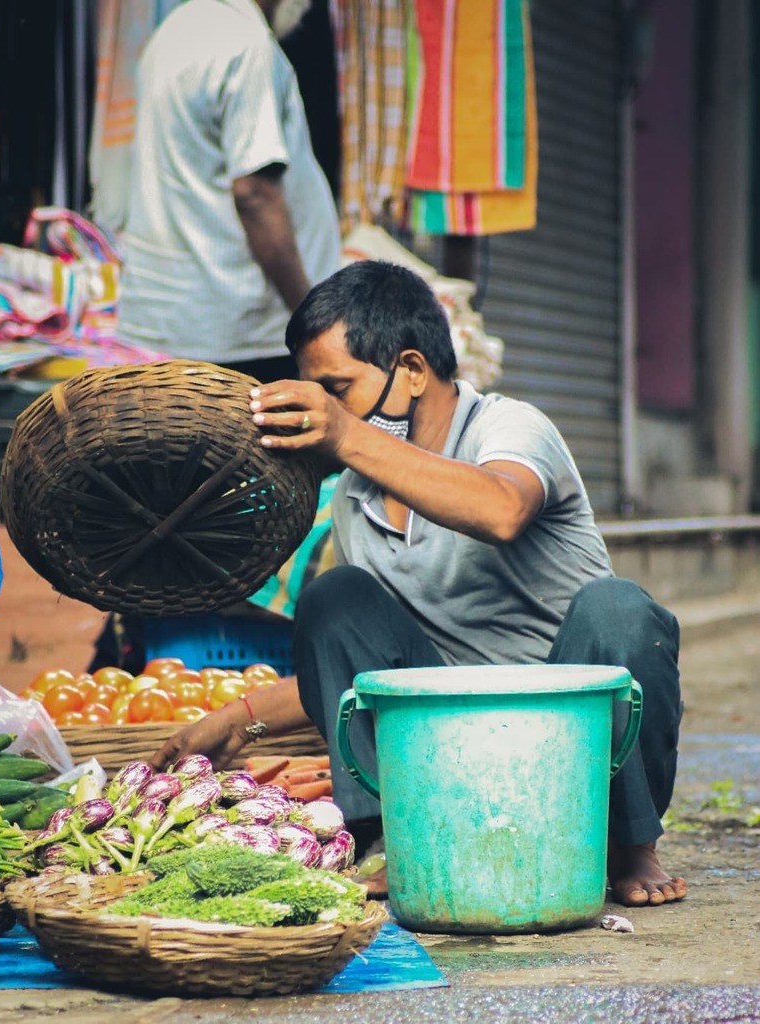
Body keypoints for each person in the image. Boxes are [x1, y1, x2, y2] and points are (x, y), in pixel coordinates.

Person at [152, 260, 687, 910]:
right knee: (333, 598)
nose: (325, 409)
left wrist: (346, 434)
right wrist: (240, 719)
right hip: (451, 743)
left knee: (620, 611)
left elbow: (500, 510)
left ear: (410, 370)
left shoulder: (507, 426)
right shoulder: (355, 493)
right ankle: (391, 840)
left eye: (337, 389)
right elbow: (354, 661)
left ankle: (629, 845)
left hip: (570, 742)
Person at [115, 0, 340, 383]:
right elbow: (254, 193)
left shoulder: (174, 30)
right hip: (244, 340)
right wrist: (313, 320)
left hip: (179, 328)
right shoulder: (247, 44)